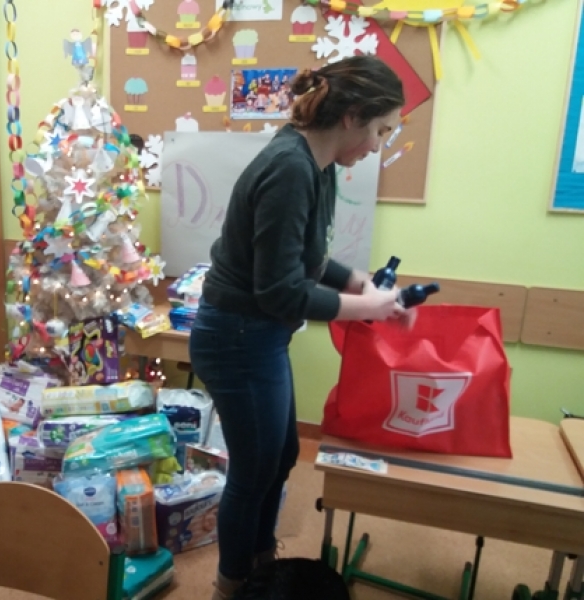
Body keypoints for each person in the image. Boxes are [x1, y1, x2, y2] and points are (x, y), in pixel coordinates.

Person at [188, 55, 414, 600]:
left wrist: (358, 281)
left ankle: (261, 567)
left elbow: (306, 258)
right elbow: (281, 290)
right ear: (352, 117)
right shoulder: (290, 167)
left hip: (259, 335)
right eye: (381, 130)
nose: (379, 145)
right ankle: (232, 586)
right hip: (238, 337)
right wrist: (371, 306)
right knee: (254, 470)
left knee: (282, 456)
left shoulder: (318, 164)